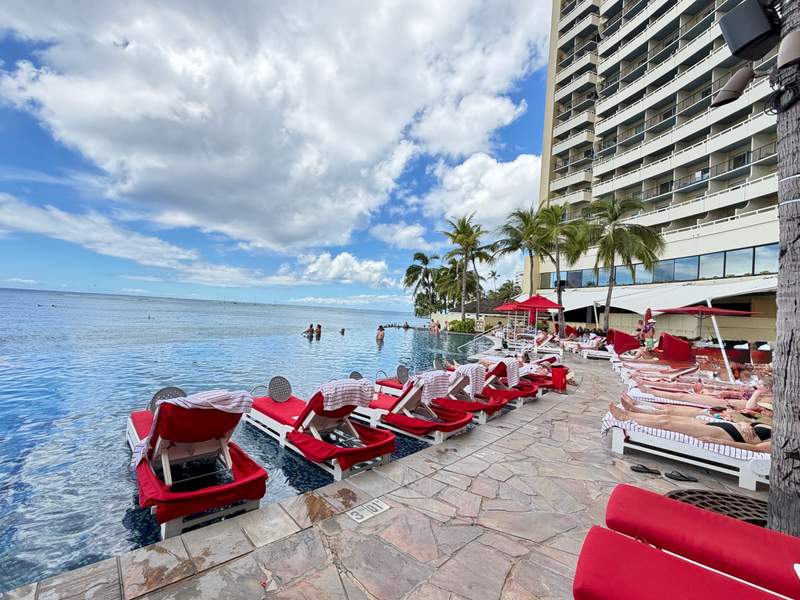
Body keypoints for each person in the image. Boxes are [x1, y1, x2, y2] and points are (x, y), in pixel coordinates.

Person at [608, 399, 771, 452]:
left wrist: (722, 443)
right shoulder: (777, 427)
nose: (768, 412)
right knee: (666, 417)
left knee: (668, 423)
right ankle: (631, 413)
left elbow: (756, 448)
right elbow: (746, 419)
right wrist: (744, 423)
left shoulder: (784, 443)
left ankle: (625, 418)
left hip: (726, 435)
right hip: (726, 426)